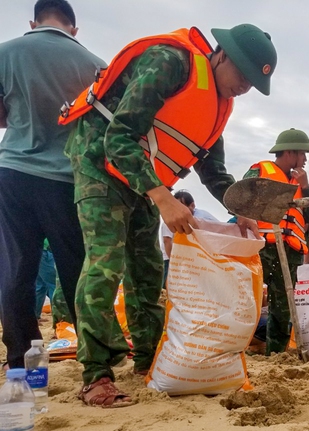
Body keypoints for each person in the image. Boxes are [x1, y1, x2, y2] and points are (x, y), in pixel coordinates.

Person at [61, 23, 277, 407]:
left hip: (142, 180)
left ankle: (148, 361)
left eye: (251, 85)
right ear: (221, 55)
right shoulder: (170, 63)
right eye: (241, 75)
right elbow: (119, 136)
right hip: (100, 163)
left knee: (146, 274)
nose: (243, 87)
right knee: (104, 264)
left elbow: (214, 171)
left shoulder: (218, 106)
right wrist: (162, 198)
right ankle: (97, 375)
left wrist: (238, 209)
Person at [0, 0, 106, 369]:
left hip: (14, 171)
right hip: (68, 179)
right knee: (76, 268)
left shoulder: (6, 52)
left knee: (16, 270)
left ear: (33, 22)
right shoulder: (96, 65)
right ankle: (93, 359)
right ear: (74, 29)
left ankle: (21, 360)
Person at [244, 128, 309, 355]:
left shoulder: (301, 183)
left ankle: (275, 354)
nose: (305, 159)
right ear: (290, 152)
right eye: (303, 154)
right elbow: (240, 196)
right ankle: (236, 348)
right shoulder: (261, 170)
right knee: (247, 297)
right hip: (262, 246)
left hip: (290, 251)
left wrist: (305, 187)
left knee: (283, 307)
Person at [160, 190, 218, 287]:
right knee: (170, 286)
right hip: (171, 258)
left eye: (182, 206)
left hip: (192, 258)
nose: (178, 210)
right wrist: (175, 263)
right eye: (176, 206)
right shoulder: (171, 219)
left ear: (192, 205)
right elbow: (167, 241)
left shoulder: (201, 217)